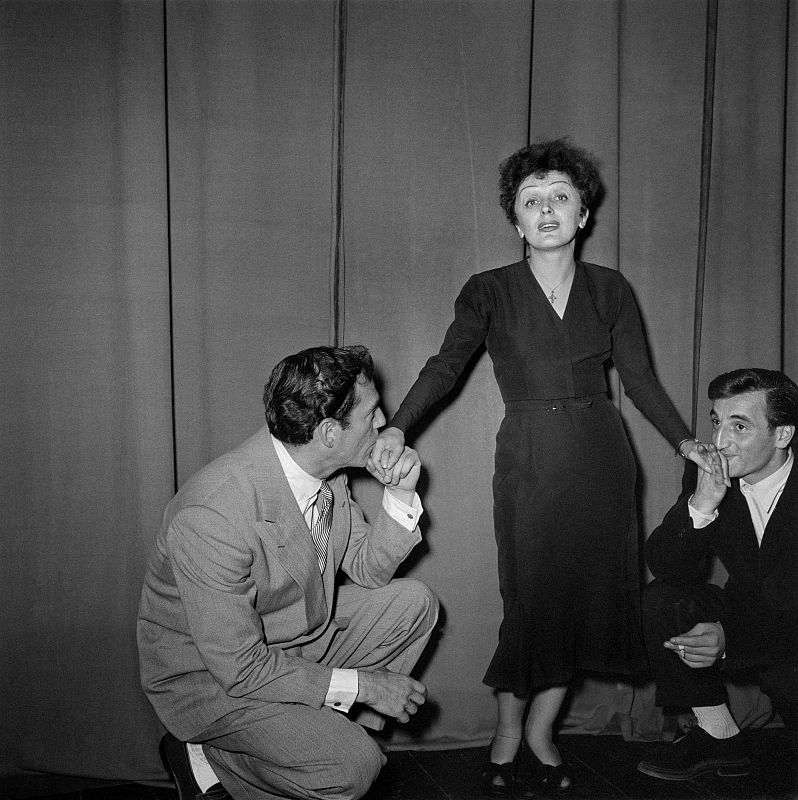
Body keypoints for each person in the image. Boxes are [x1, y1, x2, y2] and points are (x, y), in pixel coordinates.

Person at [371, 138, 710, 796]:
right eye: (532, 201)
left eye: (561, 197)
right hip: (529, 457)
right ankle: (506, 733)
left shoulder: (611, 290)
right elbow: (445, 368)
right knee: (531, 601)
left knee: (586, 603)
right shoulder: (488, 291)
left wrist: (684, 442)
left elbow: (638, 380)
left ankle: (540, 734)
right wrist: (396, 424)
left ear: (583, 214)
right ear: (516, 220)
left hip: (602, 458)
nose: (547, 209)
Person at [137, 345, 439, 800]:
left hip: (290, 640)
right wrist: (366, 687)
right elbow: (239, 669)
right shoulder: (212, 514)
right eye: (372, 413)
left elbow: (366, 569)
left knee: (414, 603)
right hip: (214, 679)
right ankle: (206, 755)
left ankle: (309, 734)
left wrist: (400, 493)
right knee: (353, 767)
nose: (384, 424)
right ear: (329, 432)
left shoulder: (324, 470)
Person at [638, 367, 798, 781]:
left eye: (739, 426)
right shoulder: (707, 471)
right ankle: (719, 737)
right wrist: (702, 505)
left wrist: (731, 638)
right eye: (716, 422)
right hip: (749, 611)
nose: (720, 442)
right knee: (661, 599)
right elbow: (667, 566)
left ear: (782, 435)